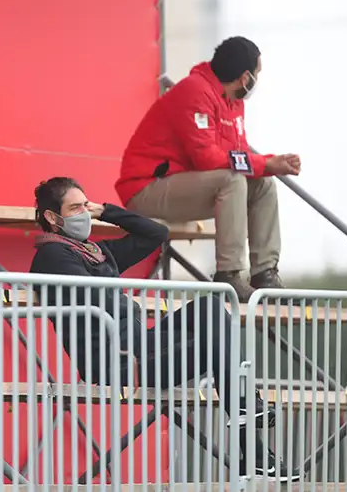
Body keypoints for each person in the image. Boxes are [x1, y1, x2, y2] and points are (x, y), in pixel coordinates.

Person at [29, 176, 297, 481]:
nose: (84, 214)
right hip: (116, 364)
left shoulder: (97, 251)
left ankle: (248, 424)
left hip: (140, 346)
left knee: (211, 306)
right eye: (75, 208)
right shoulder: (52, 256)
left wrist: (106, 211)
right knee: (218, 348)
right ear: (52, 217)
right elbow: (97, 299)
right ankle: (253, 444)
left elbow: (156, 233)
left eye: (85, 206)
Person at [115, 36, 300, 301]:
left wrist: (270, 164)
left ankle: (265, 275)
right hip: (146, 189)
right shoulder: (195, 91)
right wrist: (265, 163)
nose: (257, 80)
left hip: (184, 187)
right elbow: (207, 159)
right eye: (258, 74)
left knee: (263, 184)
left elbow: (238, 154)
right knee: (232, 180)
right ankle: (229, 275)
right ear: (245, 77)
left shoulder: (234, 102)